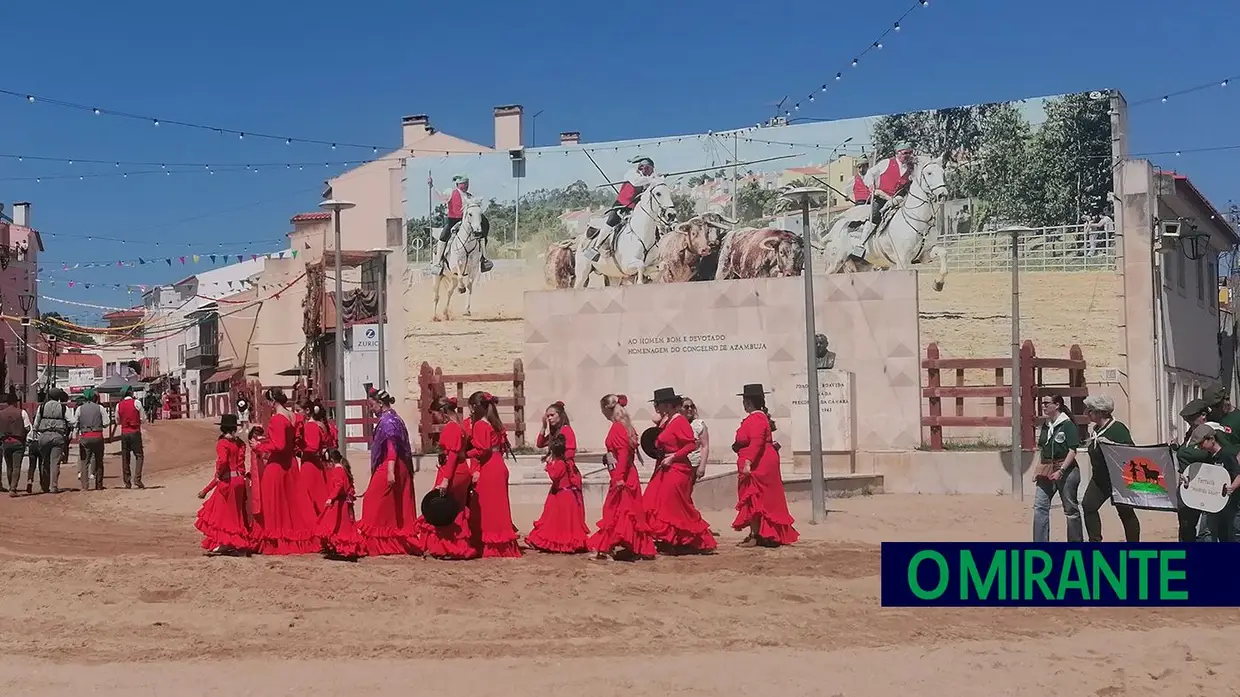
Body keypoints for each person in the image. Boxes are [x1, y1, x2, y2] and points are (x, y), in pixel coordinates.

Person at [647, 387, 717, 553]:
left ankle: (693, 539)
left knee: (675, 506)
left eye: (659, 404)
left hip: (677, 468)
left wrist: (672, 457)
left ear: (668, 405)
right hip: (667, 467)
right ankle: (670, 538)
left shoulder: (679, 421)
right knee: (663, 504)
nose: (656, 407)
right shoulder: (669, 420)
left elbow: (691, 444)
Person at [588, 393, 656, 560]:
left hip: (622, 476)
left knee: (615, 511)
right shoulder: (626, 426)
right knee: (629, 512)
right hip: (627, 474)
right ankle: (636, 547)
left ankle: (607, 548)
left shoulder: (618, 428)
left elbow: (623, 454)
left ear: (605, 409)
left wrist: (618, 477)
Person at [251, 388, 318, 555]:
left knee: (274, 503)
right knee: (293, 502)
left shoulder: (277, 419)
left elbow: (278, 445)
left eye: (268, 401)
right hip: (291, 464)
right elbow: (292, 441)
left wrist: (259, 446)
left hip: (277, 466)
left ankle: (276, 539)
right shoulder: (294, 417)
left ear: (273, 401)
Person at [732, 384, 799, 547]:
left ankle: (757, 534)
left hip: (759, 462)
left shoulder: (756, 419)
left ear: (748, 402)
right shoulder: (760, 418)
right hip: (761, 459)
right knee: (760, 497)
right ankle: (759, 533)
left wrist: (748, 461)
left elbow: (756, 442)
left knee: (755, 496)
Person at [357, 388, 423, 556]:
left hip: (390, 464)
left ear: (380, 404)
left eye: (372, 405)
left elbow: (391, 446)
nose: (371, 409)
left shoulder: (388, 421)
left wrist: (390, 471)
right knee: (392, 503)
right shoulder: (395, 418)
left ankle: (380, 542)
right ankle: (394, 538)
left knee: (373, 500)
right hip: (398, 464)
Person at [418, 396, 478, 559]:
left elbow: (452, 456)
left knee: (441, 508)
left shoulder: (452, 428)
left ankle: (447, 547)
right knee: (455, 510)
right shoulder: (460, 427)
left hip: (453, 473)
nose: (434, 417)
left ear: (443, 411)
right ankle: (454, 546)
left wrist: (445, 479)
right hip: (460, 471)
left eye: (435, 413)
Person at [466, 390, 522, 558]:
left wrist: (465, 454)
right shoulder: (495, 422)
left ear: (475, 407)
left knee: (487, 506)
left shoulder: (480, 425)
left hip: (489, 467)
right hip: (499, 465)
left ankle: (491, 544)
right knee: (499, 506)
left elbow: (482, 450)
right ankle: (503, 542)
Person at [1078, 395, 1140, 542]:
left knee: (1125, 512)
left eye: (1090, 410)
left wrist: (1111, 444)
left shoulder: (1117, 428)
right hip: (1099, 479)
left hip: (1118, 479)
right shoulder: (1096, 429)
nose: (1087, 413)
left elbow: (1131, 451)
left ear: (1100, 412)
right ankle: (1095, 542)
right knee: (1088, 506)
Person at [195, 414, 255, 555]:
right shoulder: (240, 443)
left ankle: (231, 544)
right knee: (236, 514)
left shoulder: (223, 444)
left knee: (223, 515)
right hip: (239, 481)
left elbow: (222, 463)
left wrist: (218, 476)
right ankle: (233, 543)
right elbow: (240, 465)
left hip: (228, 483)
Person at [525, 432, 590, 554]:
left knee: (556, 521)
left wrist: (549, 465)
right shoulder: (567, 462)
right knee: (565, 523)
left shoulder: (559, 463)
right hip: (568, 495)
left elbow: (554, 476)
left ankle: (559, 543)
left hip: (562, 496)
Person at [583, 157, 656, 263]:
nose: (650, 172)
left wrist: (657, 180)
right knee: (611, 222)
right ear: (642, 167)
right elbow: (636, 182)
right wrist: (653, 179)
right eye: (649, 169)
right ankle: (596, 248)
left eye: (651, 170)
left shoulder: (646, 179)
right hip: (621, 205)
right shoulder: (632, 173)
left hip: (635, 208)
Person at [1031, 394, 1082, 542]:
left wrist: (1061, 471)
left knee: (1070, 509)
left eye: (1047, 403)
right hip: (1047, 469)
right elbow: (1043, 450)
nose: (1043, 406)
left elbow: (1073, 450)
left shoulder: (1067, 425)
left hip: (1065, 469)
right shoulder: (1047, 425)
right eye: (1042, 403)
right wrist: (1038, 470)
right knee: (1040, 507)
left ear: (1057, 405)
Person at [852, 143, 916, 262]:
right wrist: (871, 185)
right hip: (882, 197)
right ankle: (861, 244)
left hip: (899, 200)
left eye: (909, 153)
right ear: (898, 153)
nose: (908, 156)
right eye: (905, 153)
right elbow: (870, 173)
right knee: (874, 216)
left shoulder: (911, 167)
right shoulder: (886, 163)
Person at [1181, 424, 1240, 542]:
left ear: (1212, 439)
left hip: (1232, 503)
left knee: (1233, 534)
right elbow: (1201, 479)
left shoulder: (1227, 454)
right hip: (1213, 504)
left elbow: (1238, 474)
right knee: (1206, 533)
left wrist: (1232, 487)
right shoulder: (1206, 458)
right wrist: (1188, 482)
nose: (1200, 446)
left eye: (1201, 443)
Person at [428, 175, 493, 275]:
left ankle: (484, 259)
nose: (466, 186)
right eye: (464, 183)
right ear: (458, 184)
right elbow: (440, 196)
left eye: (467, 183)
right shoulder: (451, 192)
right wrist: (432, 186)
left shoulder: (470, 196)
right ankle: (438, 262)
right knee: (444, 236)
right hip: (453, 220)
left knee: (481, 234)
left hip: (467, 222)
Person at [315, 448, 365, 560]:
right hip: (343, 502)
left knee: (335, 525)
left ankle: (343, 549)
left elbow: (339, 485)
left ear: (331, 461)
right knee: (344, 525)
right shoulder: (343, 469)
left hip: (339, 503)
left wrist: (330, 498)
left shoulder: (337, 470)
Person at [33, 388, 71, 494]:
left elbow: (36, 423)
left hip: (44, 436)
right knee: (55, 462)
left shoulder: (42, 407)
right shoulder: (63, 408)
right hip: (58, 436)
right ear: (59, 397)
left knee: (44, 461)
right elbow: (72, 421)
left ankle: (44, 486)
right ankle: (53, 486)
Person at [300, 403, 332, 518]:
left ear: (307, 411)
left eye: (299, 410)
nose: (298, 413)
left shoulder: (310, 426)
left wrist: (300, 447)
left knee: (310, 494)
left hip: (309, 463)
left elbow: (313, 447)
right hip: (319, 462)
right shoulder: (321, 425)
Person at [74, 388, 109, 492]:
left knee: (84, 461)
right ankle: (99, 485)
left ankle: (85, 486)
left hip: (85, 437)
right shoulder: (100, 408)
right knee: (99, 461)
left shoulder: (80, 409)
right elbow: (106, 422)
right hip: (98, 436)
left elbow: (75, 423)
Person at [116, 386, 145, 489]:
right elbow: (143, 418)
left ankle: (127, 482)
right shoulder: (137, 403)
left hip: (124, 432)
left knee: (125, 457)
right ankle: (137, 479)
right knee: (139, 455)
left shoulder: (119, 405)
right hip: (135, 431)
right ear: (130, 393)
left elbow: (117, 420)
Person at [0, 392, 27, 496]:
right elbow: (28, 427)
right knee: (16, 466)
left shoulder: (1, 413)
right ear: (16, 402)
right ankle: (13, 488)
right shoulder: (22, 412)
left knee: (9, 465)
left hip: (6, 442)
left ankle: (11, 485)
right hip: (18, 442)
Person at [682, 398, 710, 488]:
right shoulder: (675, 423)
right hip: (679, 464)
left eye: (692, 406)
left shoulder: (699, 424)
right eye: (686, 407)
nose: (690, 409)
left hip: (693, 464)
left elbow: (705, 446)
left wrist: (702, 466)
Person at [22, 391, 42, 494]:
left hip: (32, 445)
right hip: (40, 445)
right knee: (42, 465)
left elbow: (27, 438)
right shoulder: (42, 428)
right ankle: (43, 483)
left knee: (32, 466)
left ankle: (30, 481)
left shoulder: (31, 428)